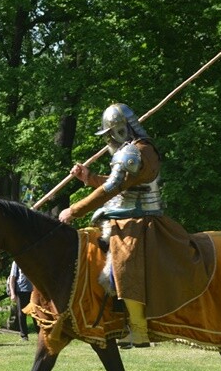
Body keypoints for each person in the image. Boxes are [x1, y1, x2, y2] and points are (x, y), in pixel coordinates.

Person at [58, 102, 210, 348]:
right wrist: (89, 178)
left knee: (125, 268)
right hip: (124, 216)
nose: (108, 140)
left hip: (139, 220)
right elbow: (119, 183)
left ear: (120, 130)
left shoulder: (133, 153)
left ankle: (139, 331)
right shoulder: (135, 150)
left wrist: (74, 210)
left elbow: (112, 188)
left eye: (110, 134)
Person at [7, 260, 33, 341]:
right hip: (21, 290)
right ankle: (24, 335)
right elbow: (12, 278)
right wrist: (12, 293)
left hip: (33, 291)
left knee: (36, 313)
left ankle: (40, 333)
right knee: (21, 314)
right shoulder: (17, 262)